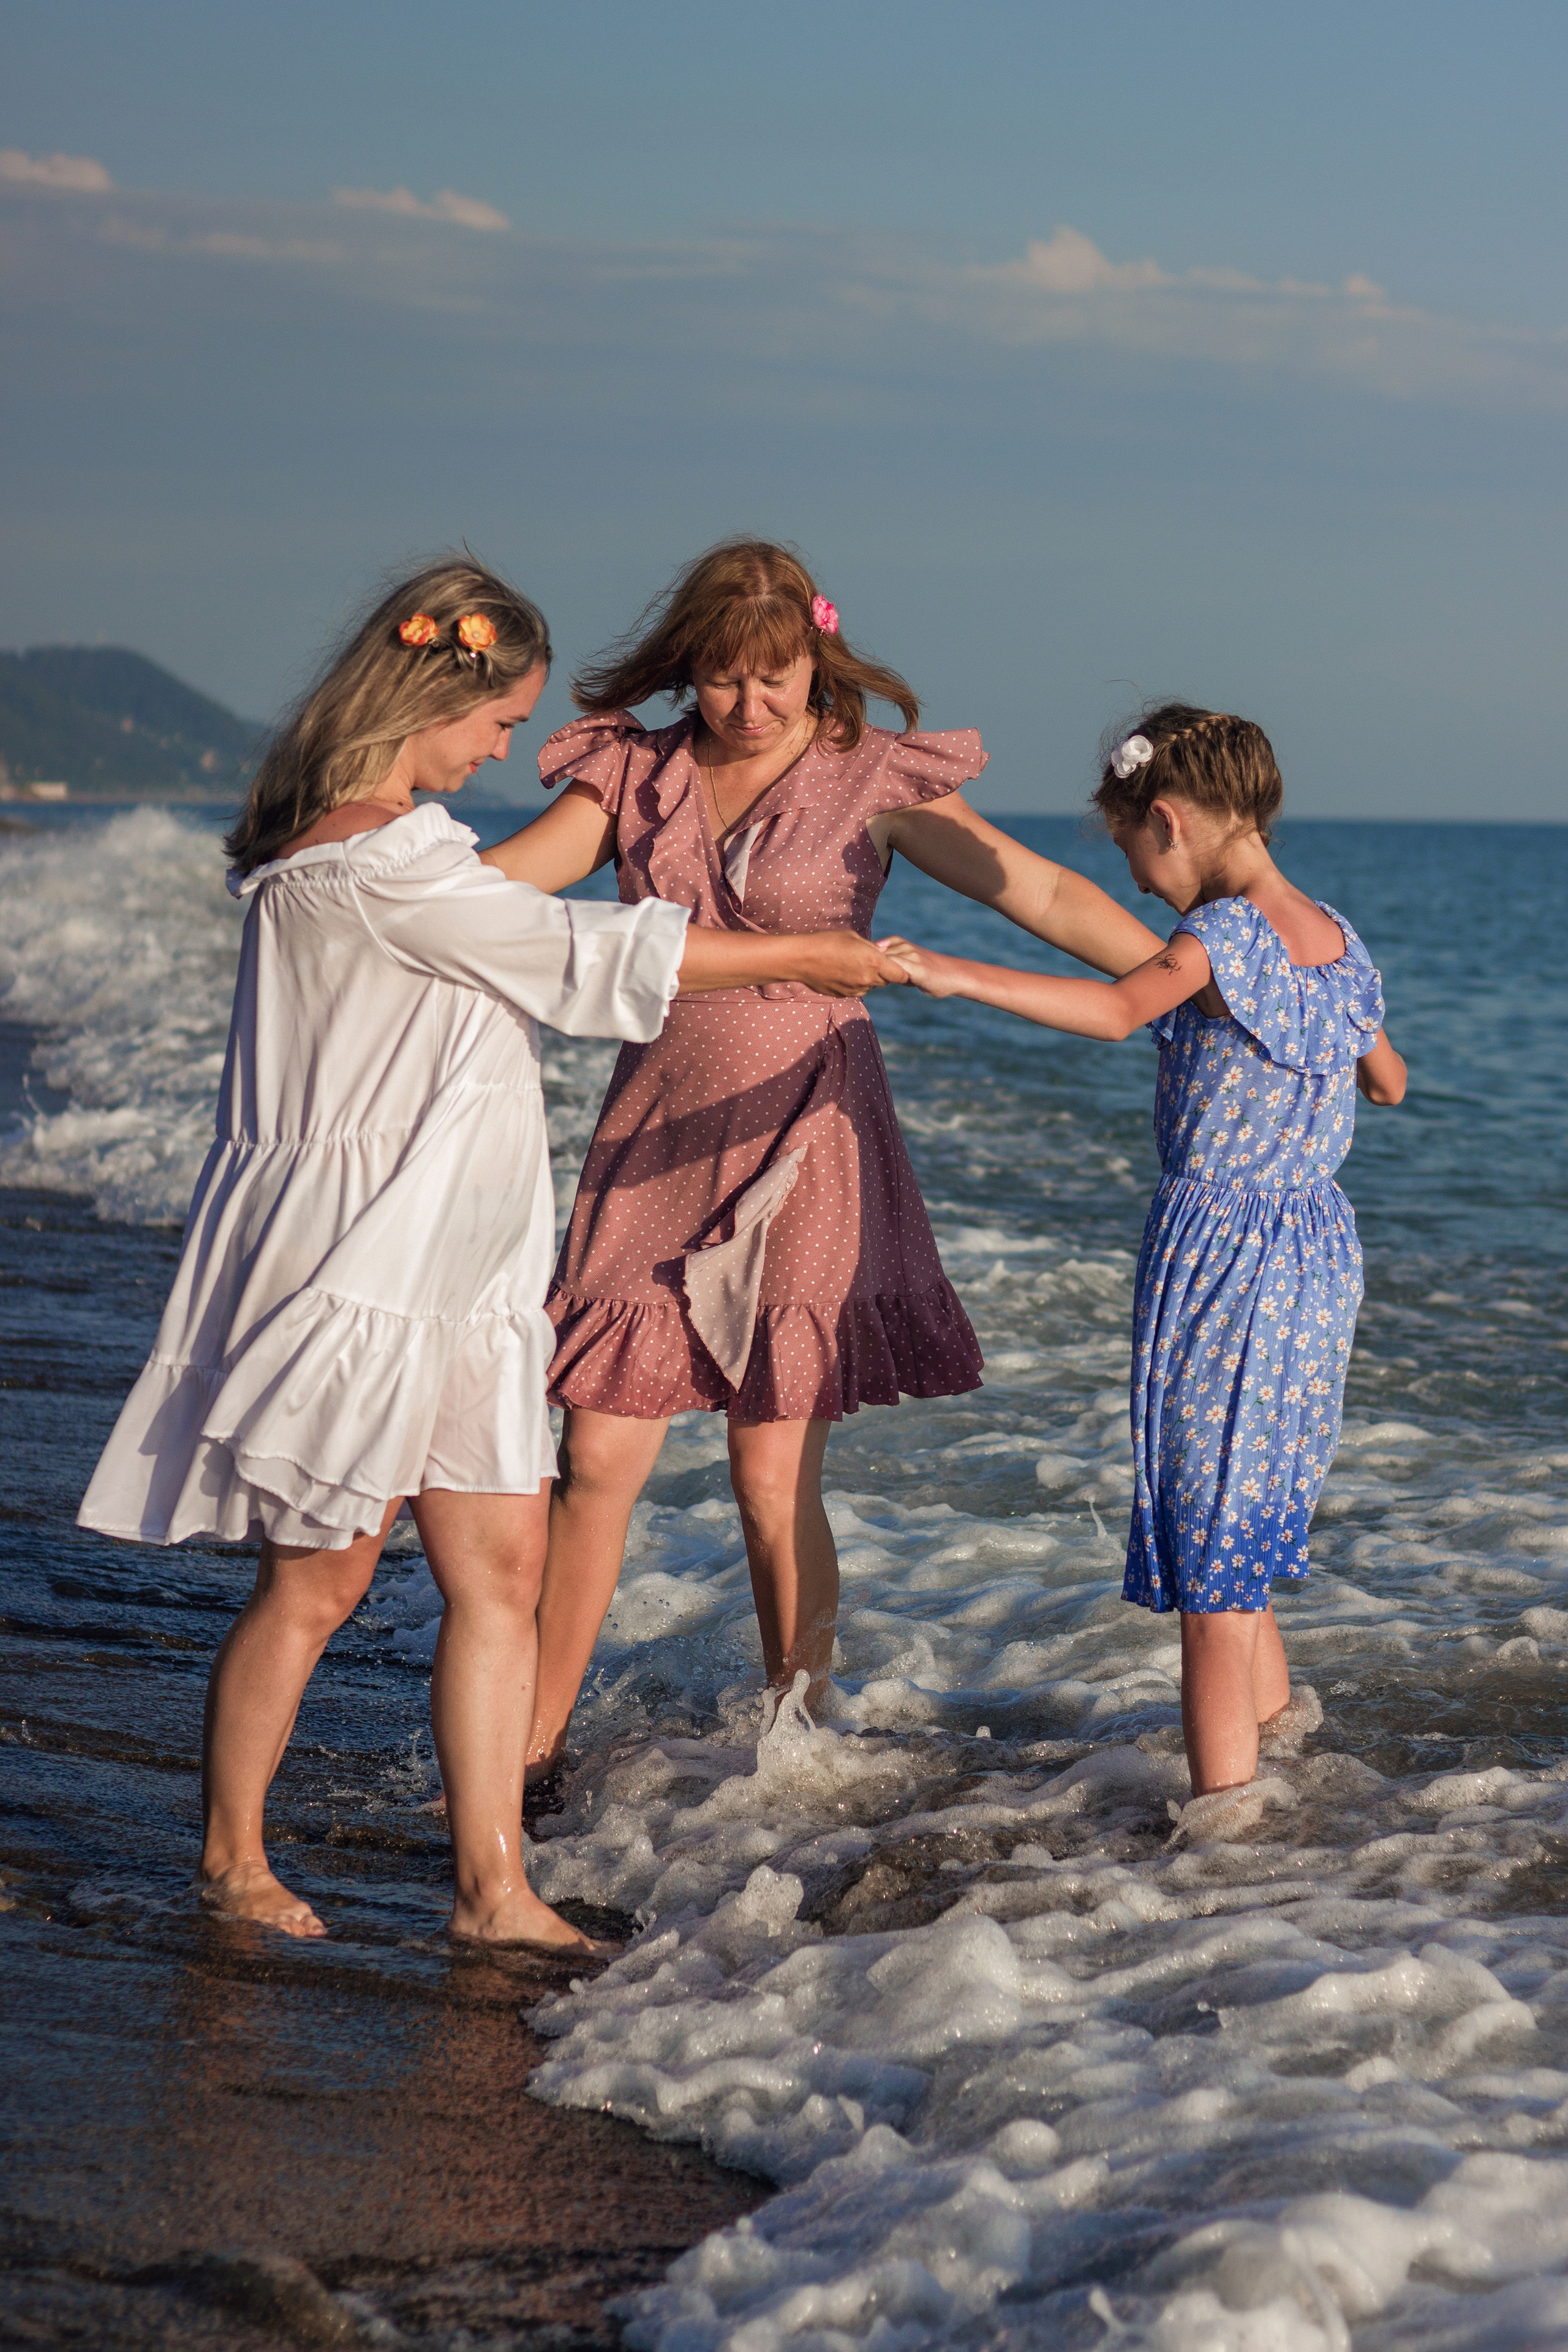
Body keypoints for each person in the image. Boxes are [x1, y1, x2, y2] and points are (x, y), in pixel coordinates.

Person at [78, 556, 901, 1944]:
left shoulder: (393, 854)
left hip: (464, 1278)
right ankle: (230, 1860)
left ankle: (492, 1889)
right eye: (498, 719)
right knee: (320, 1578)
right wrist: (807, 957)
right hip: (363, 1260)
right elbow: (564, 952)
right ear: (429, 697)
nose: (505, 748)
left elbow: (533, 936)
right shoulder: (369, 866)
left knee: (502, 1574)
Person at [477, 539, 1163, 1774]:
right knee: (596, 1458)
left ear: (815, 656)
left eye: (775, 675)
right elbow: (492, 899)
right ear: (690, 669)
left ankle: (798, 1742)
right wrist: (367, 881)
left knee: (765, 1464)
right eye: (725, 679)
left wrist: (1187, 976)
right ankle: (523, 1752)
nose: (751, 704)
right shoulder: (631, 777)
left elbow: (1043, 896)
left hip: (810, 1124)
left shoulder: (869, 779)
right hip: (655, 1133)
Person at [881, 703, 1406, 1798]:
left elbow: (1122, 1011)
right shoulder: (1337, 938)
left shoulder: (1216, 939)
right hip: (1316, 1250)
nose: (1133, 881)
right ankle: (1282, 1754)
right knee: (1245, 1515)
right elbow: (1387, 1078)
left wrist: (954, 973)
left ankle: (1226, 1837)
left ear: (1168, 820)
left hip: (1224, 1253)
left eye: (1130, 849)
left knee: (1212, 1558)